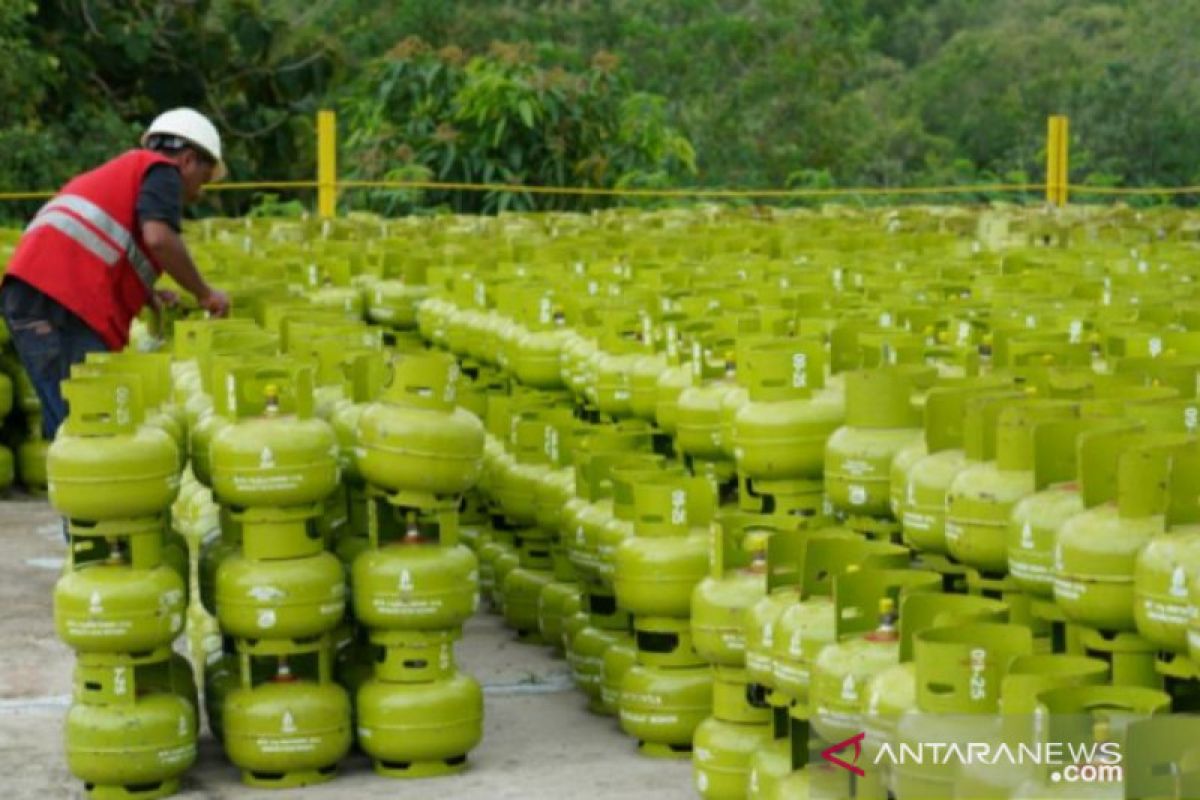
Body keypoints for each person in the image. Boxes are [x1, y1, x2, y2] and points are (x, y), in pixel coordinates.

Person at [1, 107, 231, 439]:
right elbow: (159, 238)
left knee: (73, 416)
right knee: (87, 420)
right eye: (204, 180)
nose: (199, 193)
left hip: (39, 295)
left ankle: (74, 485)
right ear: (188, 160)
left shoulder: (129, 175)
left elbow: (107, 243)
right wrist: (204, 293)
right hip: (58, 301)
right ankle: (78, 488)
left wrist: (147, 293)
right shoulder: (162, 171)